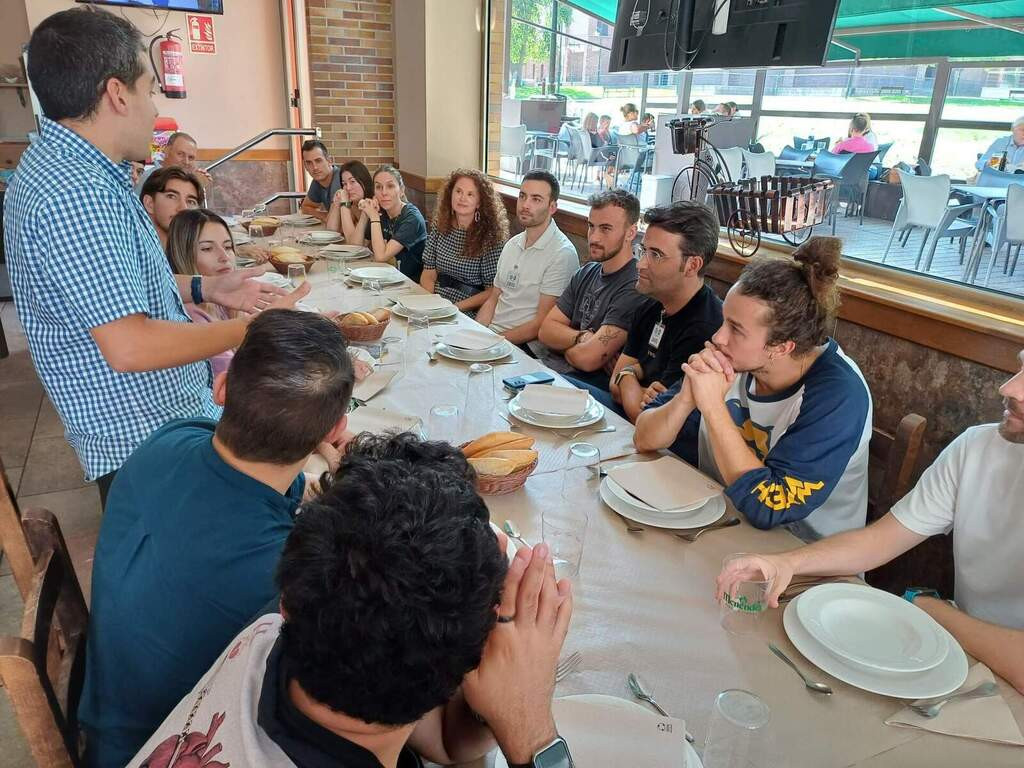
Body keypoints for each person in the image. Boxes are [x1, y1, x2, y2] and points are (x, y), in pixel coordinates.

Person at [3, 8, 306, 504]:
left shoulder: (84, 171)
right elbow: (130, 346)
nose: (153, 108)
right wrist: (257, 329)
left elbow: (117, 287)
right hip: (145, 442)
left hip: (163, 422)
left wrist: (206, 287)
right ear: (116, 94)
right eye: (149, 89)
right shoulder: (73, 193)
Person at [127, 433, 574, 768]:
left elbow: (443, 741)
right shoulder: (379, 686)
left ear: (288, 598)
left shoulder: (277, 634)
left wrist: (500, 706)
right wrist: (532, 733)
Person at [80, 310, 355, 768]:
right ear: (334, 432)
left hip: (109, 715)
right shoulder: (286, 572)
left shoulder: (171, 438)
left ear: (222, 389)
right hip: (158, 747)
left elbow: (261, 489)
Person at [717, 350, 1024, 694]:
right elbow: (882, 540)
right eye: (1020, 367)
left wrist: (929, 607)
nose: (1009, 388)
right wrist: (785, 563)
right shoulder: (979, 447)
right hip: (966, 653)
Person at [635, 237, 872, 541]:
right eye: (724, 321)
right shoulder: (734, 358)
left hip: (805, 557)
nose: (718, 337)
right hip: (722, 525)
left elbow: (768, 506)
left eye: (736, 329)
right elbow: (644, 438)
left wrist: (712, 407)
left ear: (781, 347)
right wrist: (685, 399)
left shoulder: (839, 395)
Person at [604, 201, 723, 423]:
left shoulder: (706, 329)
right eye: (643, 251)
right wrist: (631, 376)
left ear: (692, 265)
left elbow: (649, 418)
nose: (640, 264)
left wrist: (628, 376)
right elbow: (614, 384)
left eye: (656, 255)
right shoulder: (650, 306)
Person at [537, 188, 648, 388]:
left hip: (586, 387)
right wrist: (583, 337)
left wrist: (568, 343)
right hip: (549, 369)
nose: (594, 237)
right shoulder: (587, 271)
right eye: (591, 226)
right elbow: (546, 331)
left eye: (605, 229)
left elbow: (588, 359)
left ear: (631, 232)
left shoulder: (634, 285)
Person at [476, 170, 579, 349]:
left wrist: (491, 343)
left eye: (536, 199)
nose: (525, 205)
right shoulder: (512, 244)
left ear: (552, 207)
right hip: (493, 337)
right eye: (522, 196)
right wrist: (476, 333)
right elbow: (493, 299)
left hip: (525, 347)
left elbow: (541, 324)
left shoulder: (562, 254)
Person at [420, 169, 509, 313]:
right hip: (435, 300)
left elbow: (492, 291)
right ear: (450, 195)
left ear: (479, 202)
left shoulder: (490, 237)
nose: (462, 198)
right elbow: (428, 272)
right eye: (458, 192)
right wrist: (430, 303)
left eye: (470, 194)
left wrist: (453, 308)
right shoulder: (440, 225)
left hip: (468, 308)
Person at [166, 208, 239, 376]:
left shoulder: (220, 302)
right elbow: (233, 374)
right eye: (207, 249)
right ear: (183, 255)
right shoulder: (192, 314)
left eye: (228, 247)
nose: (224, 257)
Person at [353, 164, 428, 281]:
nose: (384, 192)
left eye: (390, 186)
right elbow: (356, 247)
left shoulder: (412, 218)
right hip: (385, 279)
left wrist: (373, 217)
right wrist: (365, 213)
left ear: (401, 191)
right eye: (378, 187)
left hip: (410, 285)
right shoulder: (381, 211)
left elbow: (381, 257)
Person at [140, 165, 203, 248]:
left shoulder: (195, 254)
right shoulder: (133, 250)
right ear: (149, 203)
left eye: (191, 201)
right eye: (171, 196)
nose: (184, 208)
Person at [134, 130, 213, 193]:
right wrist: (194, 184)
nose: (186, 162)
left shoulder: (184, 178)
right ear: (167, 151)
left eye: (191, 158)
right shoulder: (150, 177)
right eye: (180, 154)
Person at [326, 159, 373, 243]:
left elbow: (352, 242)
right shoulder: (353, 203)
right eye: (344, 184)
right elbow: (331, 232)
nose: (348, 188)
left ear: (364, 181)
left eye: (352, 182)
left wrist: (344, 204)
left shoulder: (371, 204)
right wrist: (337, 204)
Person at [299, 139, 342, 223]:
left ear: (329, 161)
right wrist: (324, 216)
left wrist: (327, 217)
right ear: (305, 166)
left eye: (318, 161)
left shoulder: (341, 179)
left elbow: (340, 222)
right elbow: (305, 207)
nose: (314, 167)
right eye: (309, 163)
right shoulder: (318, 181)